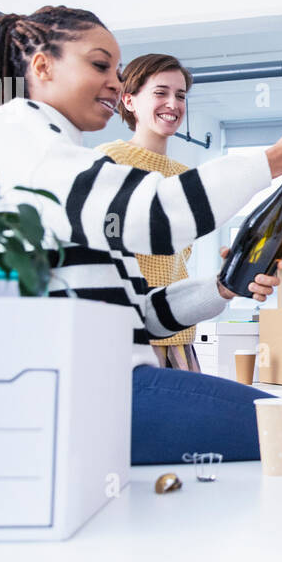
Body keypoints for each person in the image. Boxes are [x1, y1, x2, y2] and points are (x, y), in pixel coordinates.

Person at [0, 5, 282, 464]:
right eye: (99, 64)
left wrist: (222, 286)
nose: (114, 81)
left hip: (110, 382)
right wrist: (274, 160)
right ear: (42, 67)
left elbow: (143, 314)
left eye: (118, 70)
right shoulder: (23, 137)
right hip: (97, 390)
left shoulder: (57, 159)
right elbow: (159, 214)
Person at [95, 53, 202, 371]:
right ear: (129, 100)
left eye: (180, 95)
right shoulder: (109, 161)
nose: (173, 103)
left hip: (178, 332)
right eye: (161, 92)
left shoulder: (185, 175)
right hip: (128, 335)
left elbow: (180, 259)